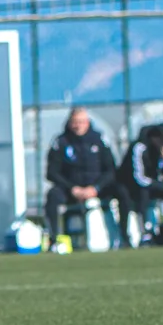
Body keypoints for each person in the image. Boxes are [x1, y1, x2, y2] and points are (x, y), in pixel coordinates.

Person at [43, 107, 119, 254]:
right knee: (53, 196)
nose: (78, 126)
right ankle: (54, 239)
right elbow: (52, 173)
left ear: (88, 122)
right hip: (71, 190)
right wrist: (72, 188)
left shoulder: (99, 139)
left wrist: (96, 188)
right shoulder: (61, 142)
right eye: (75, 122)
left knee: (122, 191)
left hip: (97, 188)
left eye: (82, 122)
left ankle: (123, 238)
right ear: (70, 123)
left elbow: (111, 170)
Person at [119, 123, 163, 246]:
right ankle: (145, 232)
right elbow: (139, 178)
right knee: (143, 193)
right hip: (132, 186)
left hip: (152, 184)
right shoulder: (140, 148)